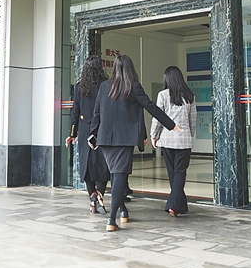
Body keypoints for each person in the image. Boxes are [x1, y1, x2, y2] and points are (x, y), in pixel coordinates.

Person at [89, 54, 179, 232]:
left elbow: (97, 113)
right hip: (124, 140)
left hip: (105, 140)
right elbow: (150, 106)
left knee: (116, 175)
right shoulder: (133, 86)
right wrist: (171, 125)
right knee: (119, 176)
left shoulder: (104, 86)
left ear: (114, 67)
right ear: (130, 68)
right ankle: (111, 219)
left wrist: (92, 135)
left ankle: (122, 210)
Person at [65, 56, 110, 214]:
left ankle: (92, 197)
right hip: (101, 128)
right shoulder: (105, 85)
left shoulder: (79, 87)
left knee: (86, 165)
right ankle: (100, 194)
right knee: (103, 164)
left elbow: (75, 112)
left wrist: (72, 133)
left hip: (84, 129)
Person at [151, 66, 197, 217]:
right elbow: (193, 120)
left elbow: (158, 117)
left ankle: (174, 205)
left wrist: (154, 135)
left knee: (173, 173)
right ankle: (179, 205)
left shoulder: (163, 95)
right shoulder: (189, 96)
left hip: (167, 139)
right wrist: (190, 135)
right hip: (184, 140)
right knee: (180, 173)